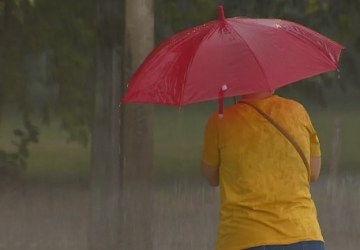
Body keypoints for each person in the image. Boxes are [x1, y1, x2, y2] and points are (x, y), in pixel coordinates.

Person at [201, 91, 324, 250]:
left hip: (245, 237)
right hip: (304, 235)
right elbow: (313, 172)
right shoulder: (297, 112)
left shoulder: (220, 121)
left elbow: (211, 177)